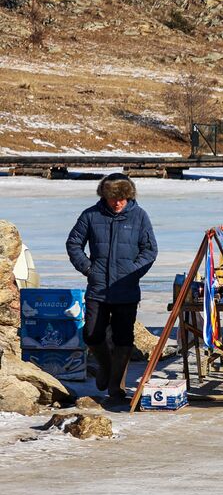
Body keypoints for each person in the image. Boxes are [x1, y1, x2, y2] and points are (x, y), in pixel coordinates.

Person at [65, 173, 158, 405]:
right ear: (104, 196)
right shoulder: (91, 215)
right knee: (91, 334)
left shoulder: (139, 216)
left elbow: (150, 250)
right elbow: (74, 244)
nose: (118, 203)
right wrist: (89, 269)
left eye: (122, 198)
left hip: (126, 290)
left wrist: (132, 273)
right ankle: (105, 367)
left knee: (123, 338)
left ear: (129, 197)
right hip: (98, 288)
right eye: (113, 198)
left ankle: (116, 386)